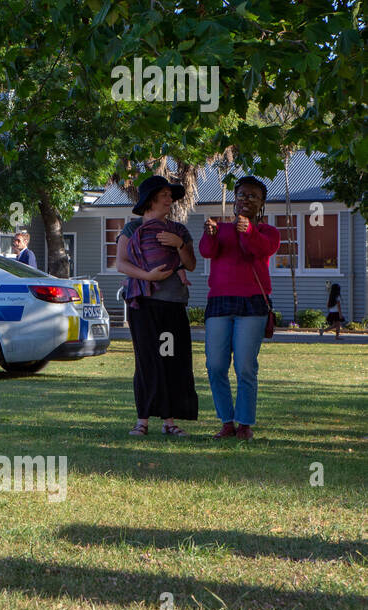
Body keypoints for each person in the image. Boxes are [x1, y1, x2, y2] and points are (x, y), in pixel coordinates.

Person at [199, 176, 281, 441]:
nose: (246, 200)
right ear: (235, 200)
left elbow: (257, 249)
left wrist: (247, 230)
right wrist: (209, 234)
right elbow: (207, 252)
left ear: (261, 203)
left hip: (252, 303)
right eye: (242, 195)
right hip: (220, 302)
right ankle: (226, 422)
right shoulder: (221, 228)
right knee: (215, 365)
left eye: (253, 196)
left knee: (246, 366)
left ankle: (244, 424)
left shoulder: (269, 232)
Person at [116, 175, 198, 437]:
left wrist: (180, 245)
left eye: (170, 195)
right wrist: (148, 277)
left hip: (172, 305)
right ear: (150, 199)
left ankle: (170, 422)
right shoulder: (131, 230)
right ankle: (142, 421)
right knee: (148, 361)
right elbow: (122, 264)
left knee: (171, 359)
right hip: (144, 305)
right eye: (164, 195)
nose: (169, 199)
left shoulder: (179, 230)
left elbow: (191, 264)